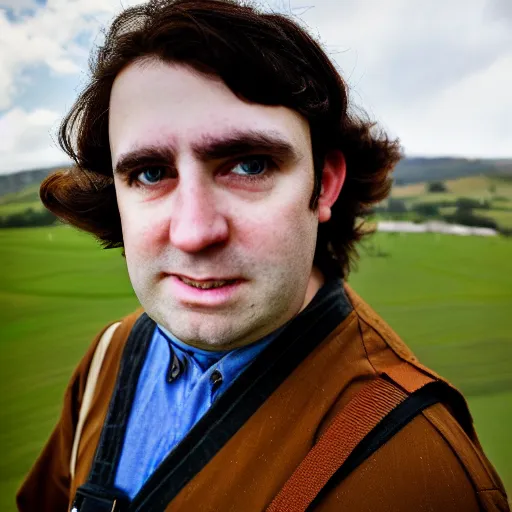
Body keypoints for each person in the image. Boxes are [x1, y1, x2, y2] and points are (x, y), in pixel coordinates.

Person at [17, 1, 509, 511]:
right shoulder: (108, 359)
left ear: (324, 186)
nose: (193, 232)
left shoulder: (416, 471)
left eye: (250, 165)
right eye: (149, 173)